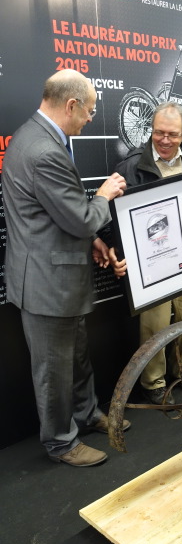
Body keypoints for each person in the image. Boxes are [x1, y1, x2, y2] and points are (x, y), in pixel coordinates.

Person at [2, 69, 130, 467]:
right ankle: (61, 442)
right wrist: (104, 196)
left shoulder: (34, 137)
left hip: (55, 275)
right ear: (71, 105)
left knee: (75, 357)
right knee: (54, 370)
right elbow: (79, 217)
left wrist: (88, 238)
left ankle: (86, 413)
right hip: (47, 283)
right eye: (89, 111)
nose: (90, 119)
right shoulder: (44, 151)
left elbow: (53, 213)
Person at [110, 103, 182, 406]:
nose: (165, 140)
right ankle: (153, 381)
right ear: (150, 130)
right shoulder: (130, 166)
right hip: (149, 262)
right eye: (158, 133)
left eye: (172, 134)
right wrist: (116, 250)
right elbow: (115, 215)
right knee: (154, 321)